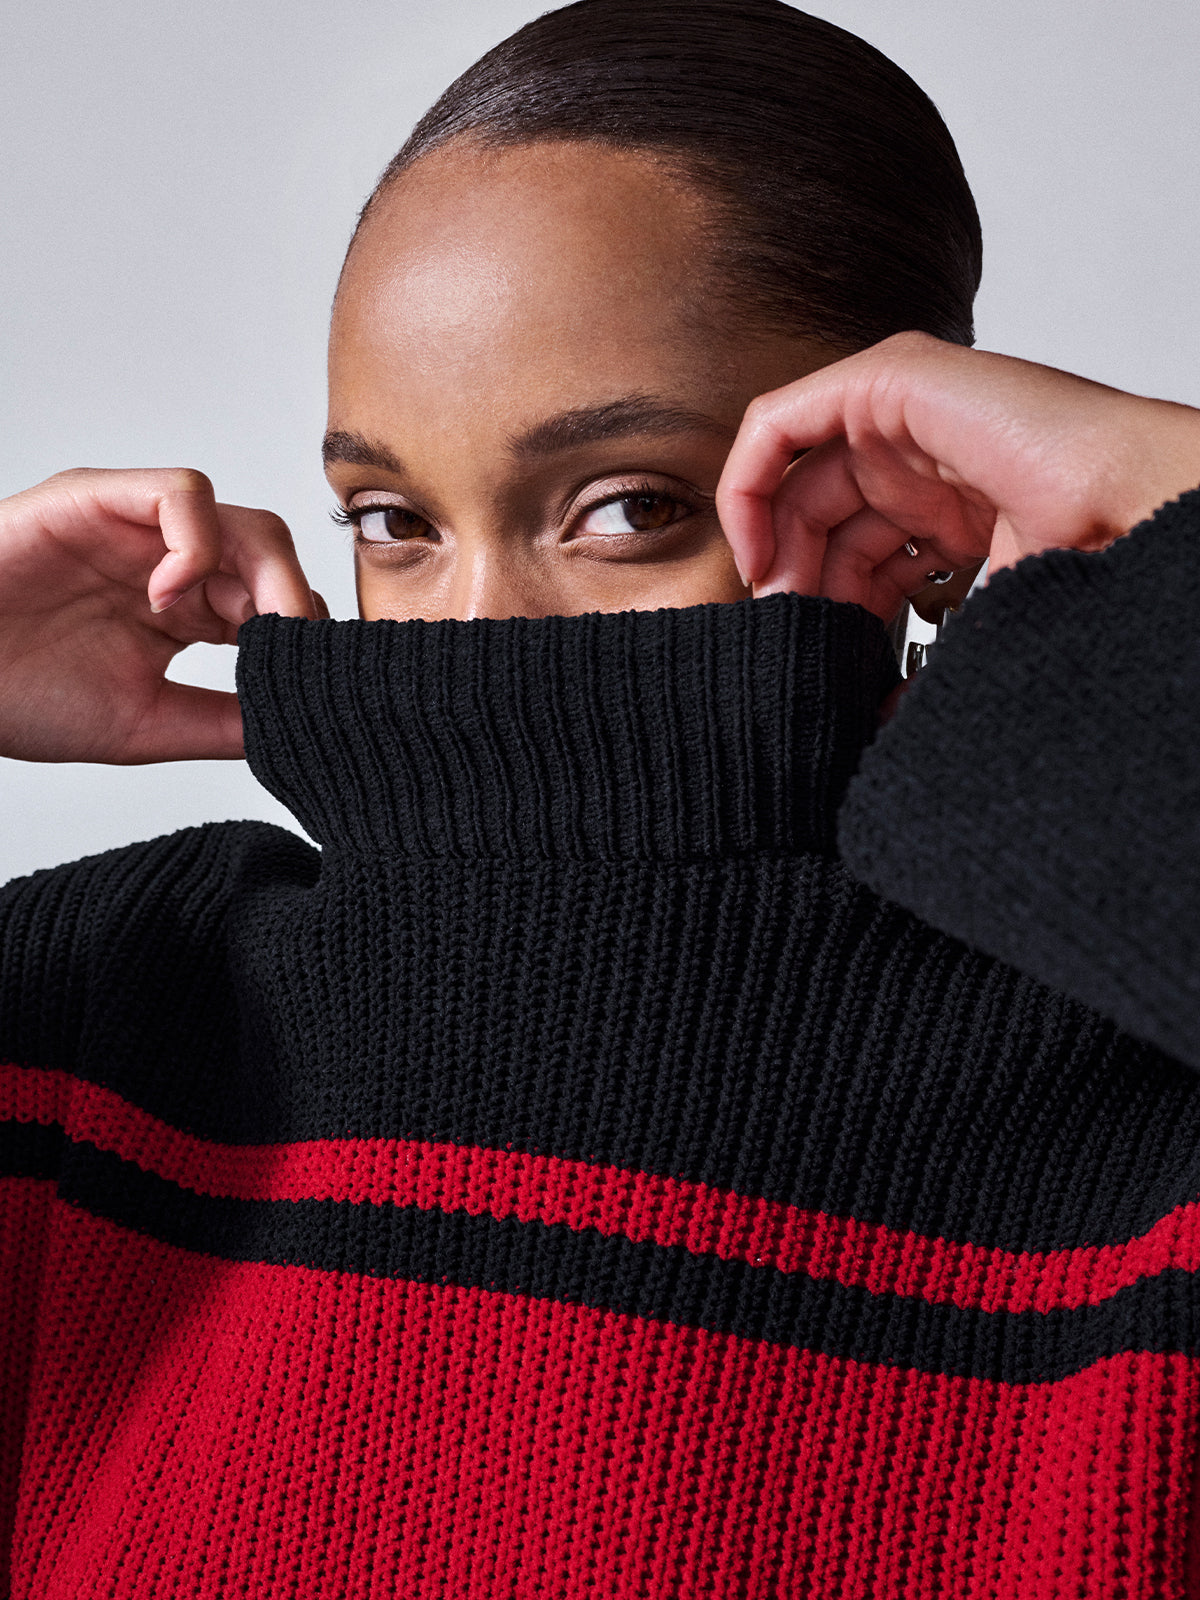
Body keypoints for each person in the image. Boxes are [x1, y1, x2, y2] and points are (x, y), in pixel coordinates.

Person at [2, 2, 1198, 1595]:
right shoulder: (117, 1013)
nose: (477, 628)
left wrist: (1169, 516)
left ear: (916, 498)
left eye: (623, 506)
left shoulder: (1137, 1089)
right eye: (394, 520)